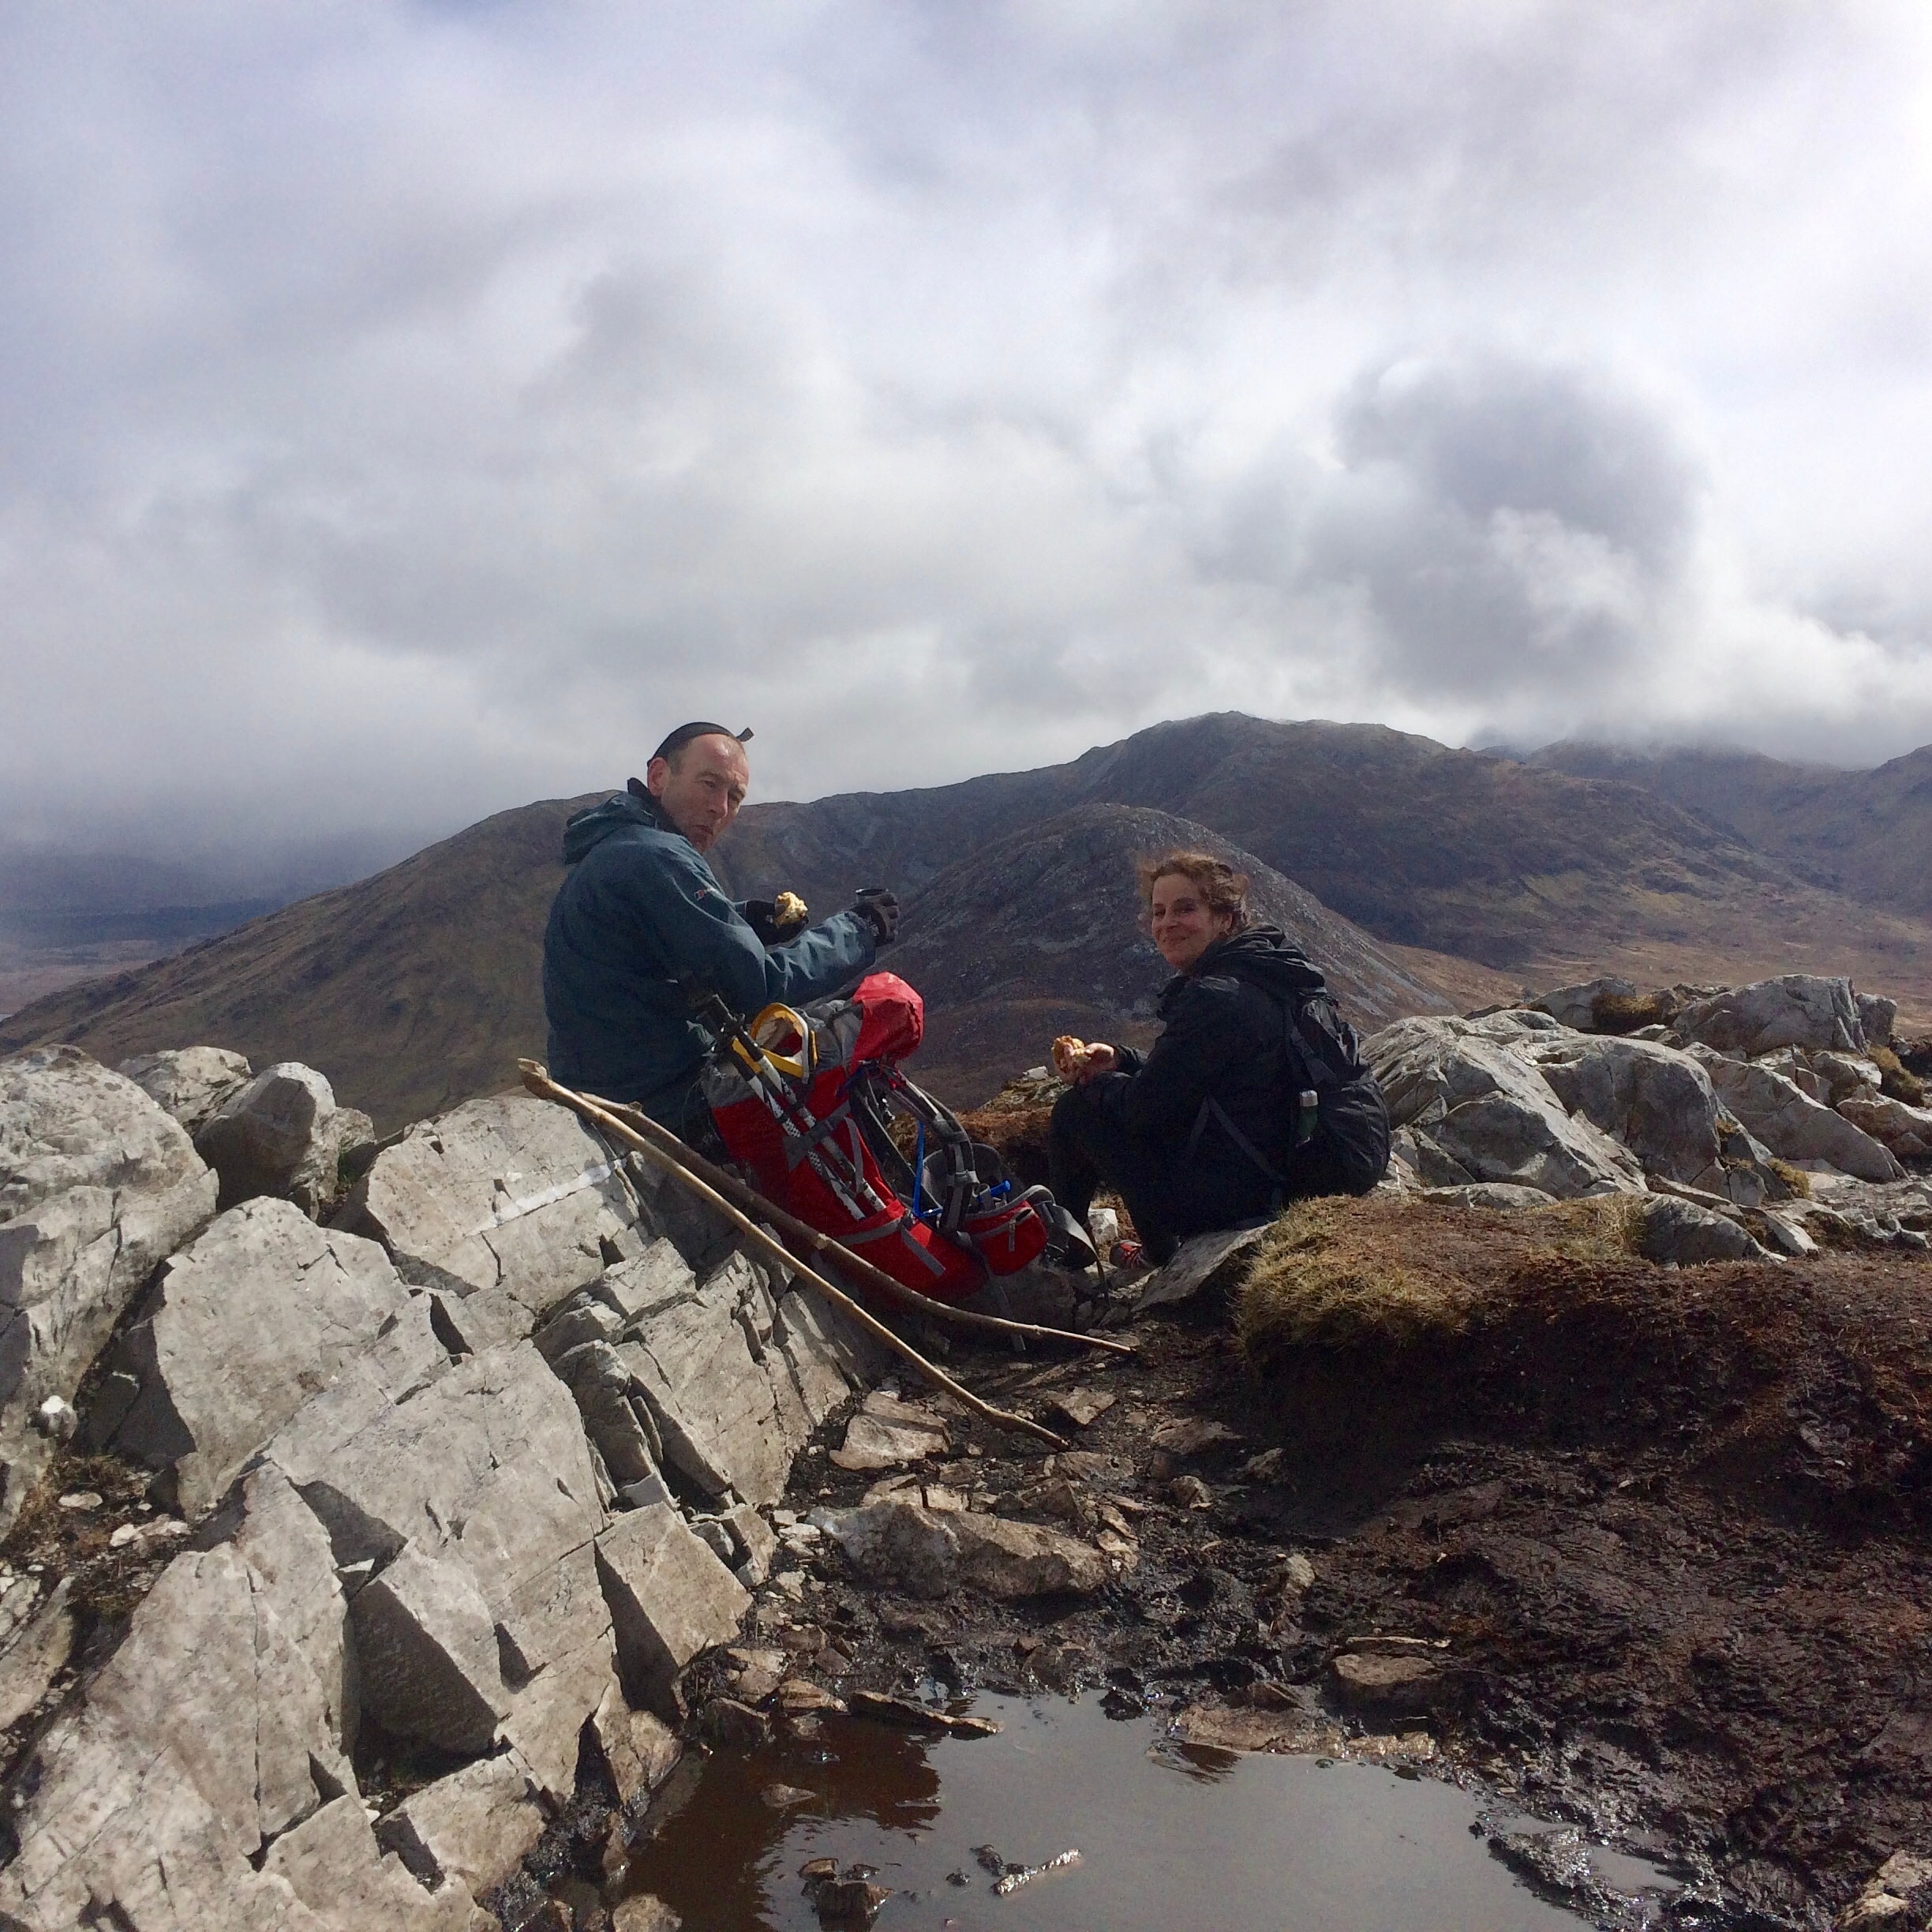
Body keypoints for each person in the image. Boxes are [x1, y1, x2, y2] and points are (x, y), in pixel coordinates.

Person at [541, 721, 898, 1139]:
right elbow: (760, 985)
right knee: (854, 1042)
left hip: (608, 1080)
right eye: (709, 785)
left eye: (735, 797)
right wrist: (860, 930)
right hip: (658, 1096)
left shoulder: (619, 847)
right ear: (658, 776)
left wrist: (749, 921)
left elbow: (665, 937)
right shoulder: (656, 856)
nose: (720, 809)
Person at [1048, 850, 1387, 1266]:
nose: (1167, 923)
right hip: (1293, 1163)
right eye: (1159, 912)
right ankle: (1152, 1251)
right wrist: (1122, 1060)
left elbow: (1144, 1111)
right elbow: (1194, 1072)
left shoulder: (1217, 998)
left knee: (1074, 1111)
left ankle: (1070, 1257)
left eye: (1185, 909)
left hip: (1258, 1192)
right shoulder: (1266, 968)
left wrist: (1095, 1084)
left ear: (1224, 918)